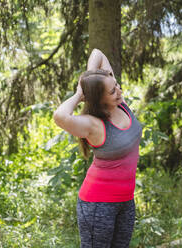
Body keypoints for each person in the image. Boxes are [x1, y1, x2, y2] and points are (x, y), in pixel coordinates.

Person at [53, 48, 142, 247]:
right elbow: (60, 116)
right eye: (112, 91)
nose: (119, 91)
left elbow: (98, 53)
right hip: (98, 204)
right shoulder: (93, 124)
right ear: (99, 98)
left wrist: (90, 78)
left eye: (117, 85)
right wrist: (81, 92)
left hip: (126, 201)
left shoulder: (121, 105)